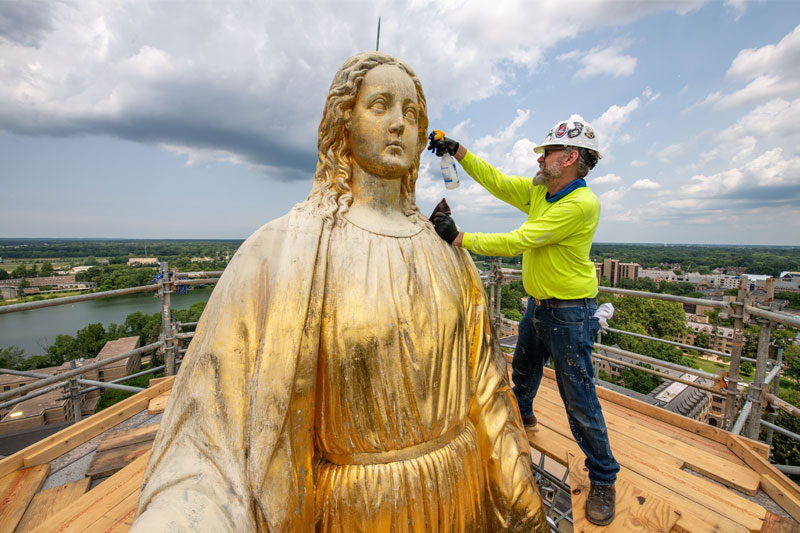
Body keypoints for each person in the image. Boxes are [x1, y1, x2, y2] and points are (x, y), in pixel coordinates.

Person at [131, 52, 548, 532]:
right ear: (343, 121)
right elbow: (208, 437)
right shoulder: (280, 253)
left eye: (411, 114)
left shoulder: (450, 254)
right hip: (357, 514)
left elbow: (489, 392)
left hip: (460, 498)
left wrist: (520, 503)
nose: (399, 124)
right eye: (380, 105)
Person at [430, 119, 620, 526]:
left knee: (579, 398)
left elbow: (521, 239)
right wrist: (458, 151)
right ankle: (525, 419)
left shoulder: (579, 205)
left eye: (548, 152)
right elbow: (497, 182)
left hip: (570, 313)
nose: (540, 157)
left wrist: (458, 238)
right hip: (540, 304)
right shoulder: (541, 190)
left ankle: (604, 478)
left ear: (569, 159)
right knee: (524, 370)